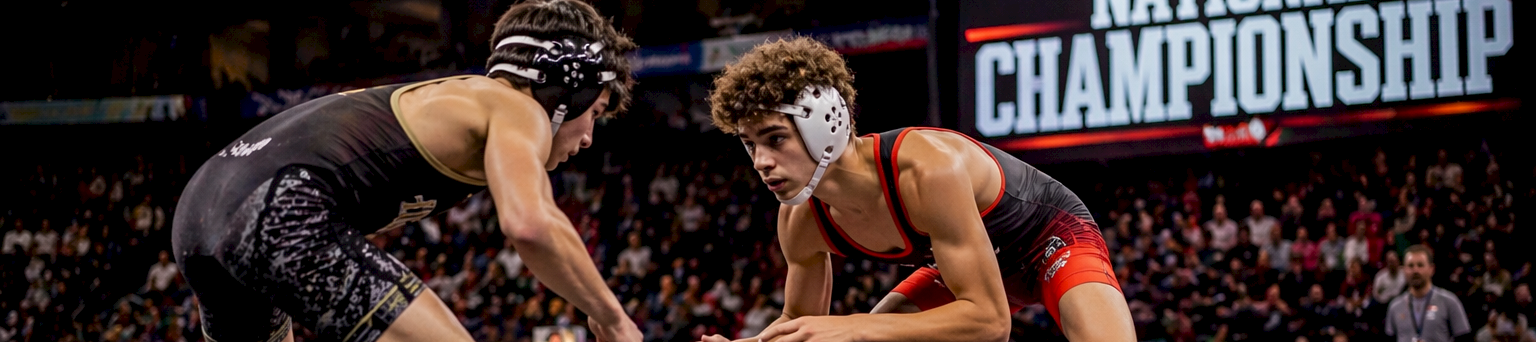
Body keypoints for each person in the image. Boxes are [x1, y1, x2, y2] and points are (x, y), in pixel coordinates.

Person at [169, 1, 642, 341]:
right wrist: (614, 318)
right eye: (595, 114)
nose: (587, 139)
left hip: (200, 213)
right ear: (568, 88)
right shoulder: (517, 107)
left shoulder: (461, 102)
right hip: (276, 207)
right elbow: (531, 223)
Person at [699, 37, 1134, 342]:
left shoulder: (925, 169)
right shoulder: (799, 218)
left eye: (775, 139)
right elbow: (800, 323)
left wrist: (851, 327)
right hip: (965, 266)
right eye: (750, 144)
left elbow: (988, 323)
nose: (760, 162)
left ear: (824, 124)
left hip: (1050, 241)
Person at [1386, 245, 1471, 342]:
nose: (1415, 270)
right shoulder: (1395, 306)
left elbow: (1464, 337)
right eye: (1410, 266)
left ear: (1432, 269)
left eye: (1420, 265)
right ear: (1404, 270)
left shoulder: (1449, 302)